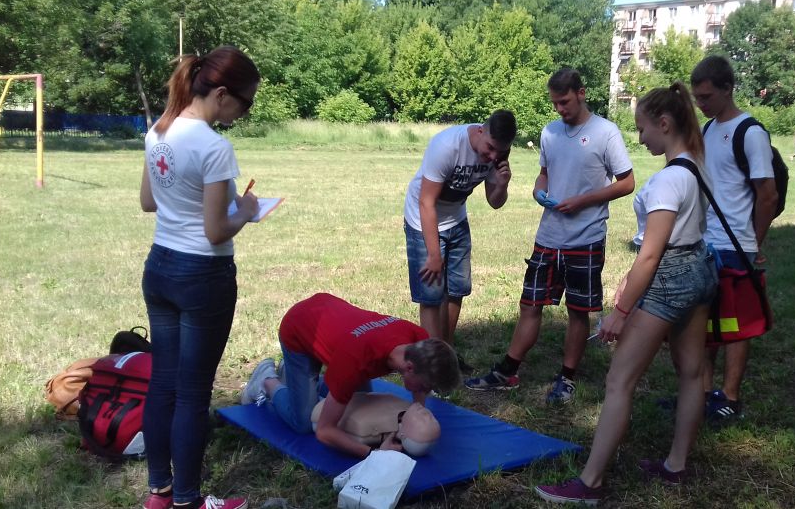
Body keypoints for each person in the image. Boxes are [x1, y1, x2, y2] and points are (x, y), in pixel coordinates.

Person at [534, 83, 718, 504]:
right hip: (700, 269)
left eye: (642, 128)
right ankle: (676, 465)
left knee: (619, 379)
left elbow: (651, 255)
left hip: (669, 278)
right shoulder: (696, 164)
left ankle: (590, 482)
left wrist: (621, 310)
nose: (640, 137)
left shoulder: (669, 179)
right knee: (692, 373)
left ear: (664, 124)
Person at [464, 68, 635, 404]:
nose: (559, 109)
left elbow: (627, 182)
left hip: (586, 237)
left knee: (577, 310)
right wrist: (538, 190)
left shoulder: (606, 132)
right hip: (548, 236)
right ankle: (508, 371)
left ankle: (566, 377)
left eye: (565, 101)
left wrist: (583, 200)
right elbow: (544, 174)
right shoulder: (550, 132)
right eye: (555, 103)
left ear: (581, 93)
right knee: (529, 304)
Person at [140, 46, 260, 509]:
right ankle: (188, 500)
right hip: (202, 275)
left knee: (163, 384)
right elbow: (215, 231)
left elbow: (149, 201)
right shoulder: (214, 146)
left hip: (160, 267)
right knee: (192, 394)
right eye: (246, 103)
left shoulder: (159, 130)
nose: (245, 113)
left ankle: (160, 492)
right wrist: (246, 210)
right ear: (223, 94)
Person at [241, 293, 460, 458]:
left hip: (329, 316)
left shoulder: (419, 339)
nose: (423, 392)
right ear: (409, 368)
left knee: (359, 403)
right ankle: (267, 379)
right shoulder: (356, 361)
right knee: (304, 423)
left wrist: (414, 414)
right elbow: (324, 431)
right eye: (424, 387)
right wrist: (374, 454)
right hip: (298, 327)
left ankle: (295, 378)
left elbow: (419, 386)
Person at [690, 55, 778, 425]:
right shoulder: (707, 129)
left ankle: (730, 396)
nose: (701, 103)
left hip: (736, 246)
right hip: (704, 242)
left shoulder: (750, 133)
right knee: (706, 324)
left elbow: (767, 195)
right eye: (697, 97)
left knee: (736, 325)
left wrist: (753, 244)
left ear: (728, 89)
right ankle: (702, 395)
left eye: (707, 96)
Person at [403, 111, 517, 373]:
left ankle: (447, 352)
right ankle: (432, 365)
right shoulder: (447, 146)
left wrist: (502, 184)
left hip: (456, 219)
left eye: (499, 152)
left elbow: (495, 202)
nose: (492, 156)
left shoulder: (498, 153)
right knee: (431, 295)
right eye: (489, 148)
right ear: (480, 131)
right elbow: (426, 202)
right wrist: (434, 255)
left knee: (456, 290)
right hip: (423, 220)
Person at [310, 392, 441, 457]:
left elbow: (324, 428)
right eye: (433, 419)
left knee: (304, 423)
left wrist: (375, 454)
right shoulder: (406, 407)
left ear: (403, 435)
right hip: (350, 394)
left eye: (424, 421)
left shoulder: (368, 429)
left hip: (323, 411)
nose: (427, 414)